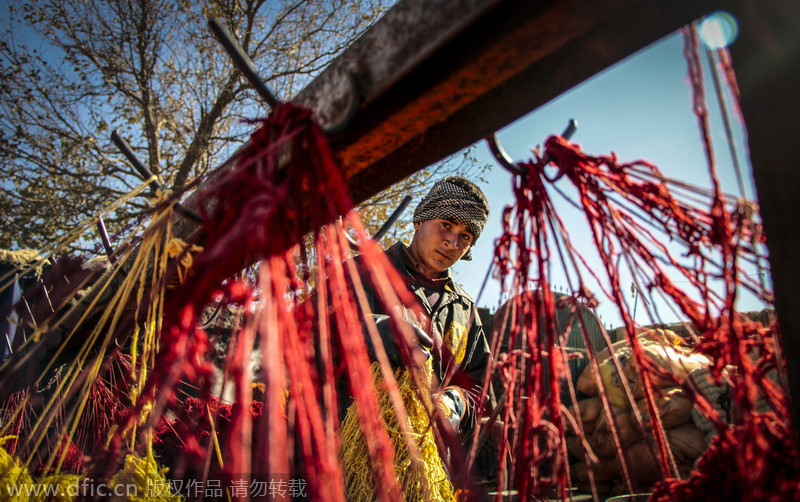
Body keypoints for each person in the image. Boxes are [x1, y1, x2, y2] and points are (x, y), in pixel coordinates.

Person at [356, 176, 494, 438]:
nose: (452, 244)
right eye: (445, 225)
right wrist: (370, 330)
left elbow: (480, 387)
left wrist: (458, 404)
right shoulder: (362, 272)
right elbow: (307, 333)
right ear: (419, 219)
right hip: (352, 455)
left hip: (429, 466)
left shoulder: (464, 310)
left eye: (465, 236)